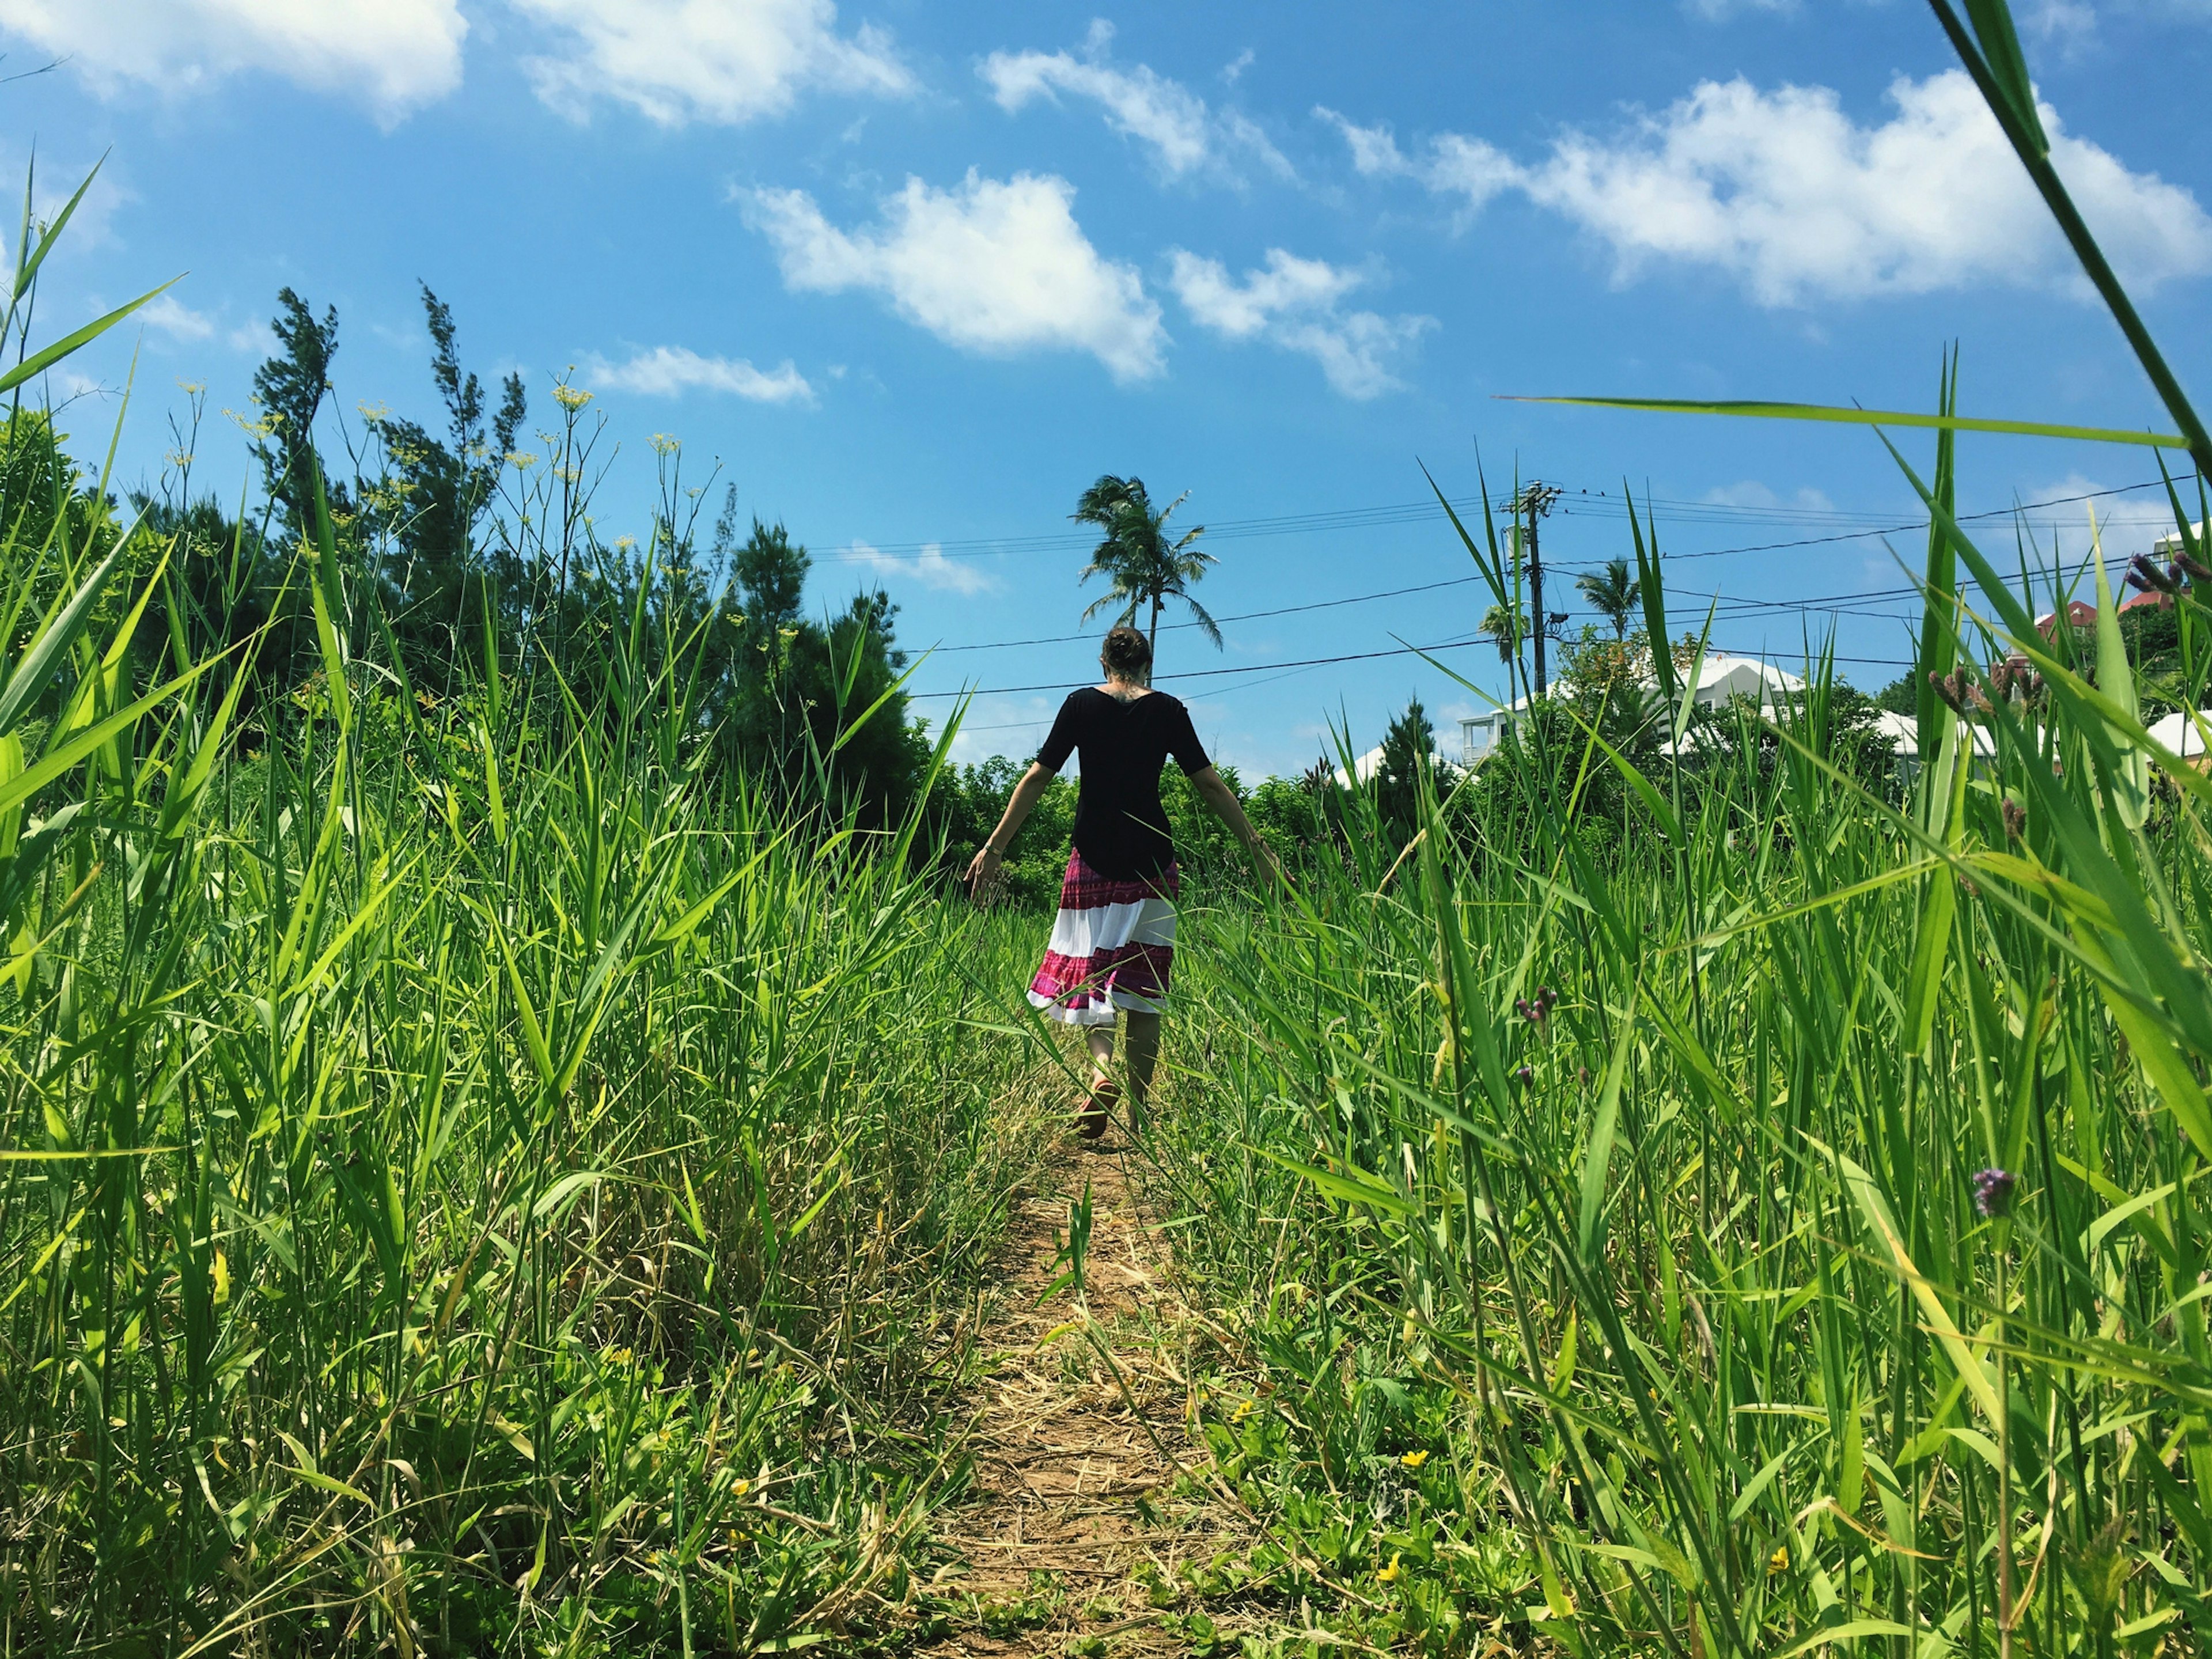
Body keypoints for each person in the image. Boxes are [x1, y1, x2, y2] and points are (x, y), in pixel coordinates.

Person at [965, 625, 1275, 1138]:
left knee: (1092, 979)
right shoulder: (1170, 710)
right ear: (1147, 665)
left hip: (1091, 861)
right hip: (1153, 865)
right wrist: (1258, 850)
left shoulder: (1080, 706)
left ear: (1103, 662)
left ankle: (1102, 1069)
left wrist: (994, 848)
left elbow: (1038, 777)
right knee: (1144, 993)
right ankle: (1142, 1123)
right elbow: (1210, 784)